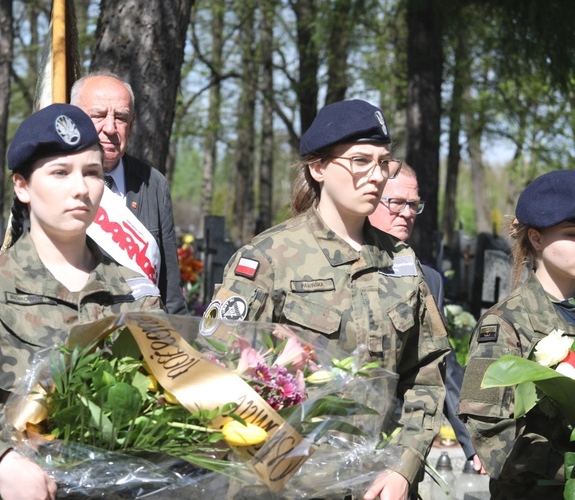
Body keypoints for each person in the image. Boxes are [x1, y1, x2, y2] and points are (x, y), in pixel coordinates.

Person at [0, 103, 164, 500]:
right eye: (60, 172)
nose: (80, 188)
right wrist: (0, 463)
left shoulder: (136, 293)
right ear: (22, 186)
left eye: (92, 173)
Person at [210, 99, 450, 500]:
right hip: (287, 484)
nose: (376, 176)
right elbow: (220, 372)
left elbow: (425, 376)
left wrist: (403, 466)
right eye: (360, 161)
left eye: (383, 162)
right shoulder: (268, 258)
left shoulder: (402, 262)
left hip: (379, 484)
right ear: (318, 168)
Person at [458, 169, 575, 498]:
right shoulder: (503, 324)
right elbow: (489, 433)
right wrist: (568, 466)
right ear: (537, 238)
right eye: (573, 233)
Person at [368, 164, 486, 475]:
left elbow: (442, 367)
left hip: (396, 451)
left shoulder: (427, 279)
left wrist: (475, 442)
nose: (406, 213)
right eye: (395, 202)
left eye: (413, 205)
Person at [70, 71, 188, 315]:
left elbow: (171, 294)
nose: (110, 128)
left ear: (132, 125)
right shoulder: (54, 180)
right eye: (98, 116)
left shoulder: (152, 183)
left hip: (141, 338)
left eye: (121, 118)